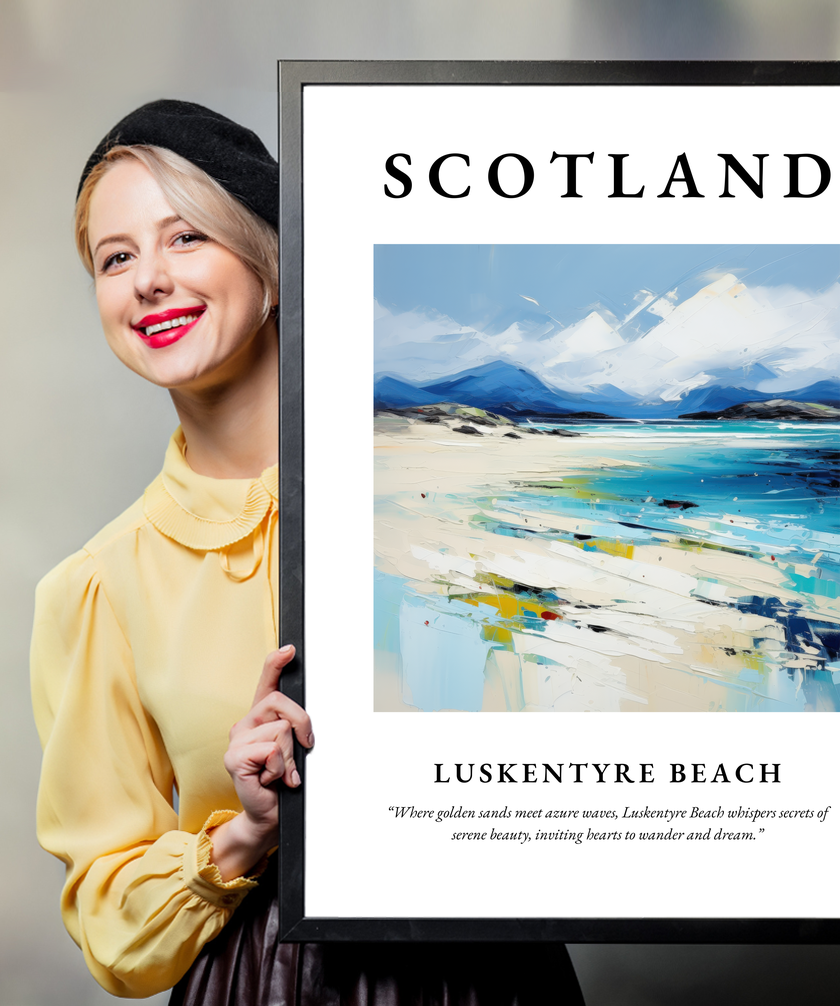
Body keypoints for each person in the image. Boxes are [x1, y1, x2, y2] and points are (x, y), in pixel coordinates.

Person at [30, 100, 585, 1004]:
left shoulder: (455, 493)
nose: (148, 281)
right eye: (116, 257)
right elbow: (110, 923)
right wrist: (245, 832)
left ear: (273, 264)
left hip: (492, 972)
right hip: (263, 982)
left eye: (186, 239)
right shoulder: (98, 587)